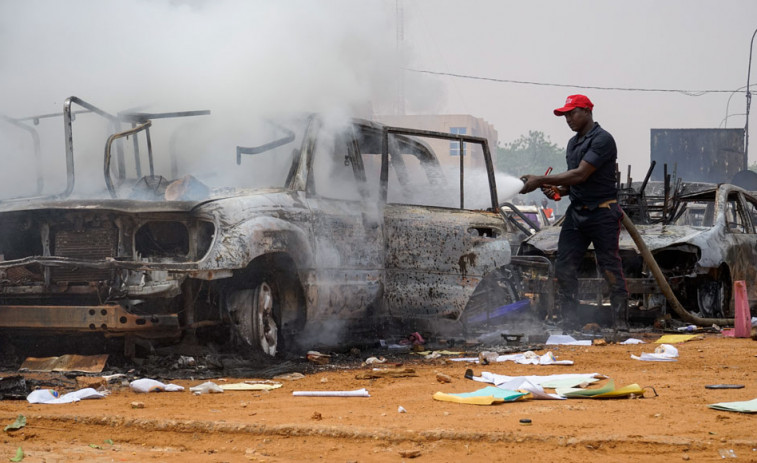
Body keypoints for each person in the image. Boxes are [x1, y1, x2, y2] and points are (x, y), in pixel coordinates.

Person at [520, 94, 629, 331]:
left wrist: (539, 179)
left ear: (588, 111)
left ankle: (621, 325)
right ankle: (571, 322)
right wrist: (558, 190)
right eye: (565, 115)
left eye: (573, 113)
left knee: (609, 266)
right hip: (577, 213)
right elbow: (574, 183)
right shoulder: (573, 143)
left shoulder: (602, 140)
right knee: (565, 266)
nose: (568, 118)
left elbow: (580, 174)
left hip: (602, 213)